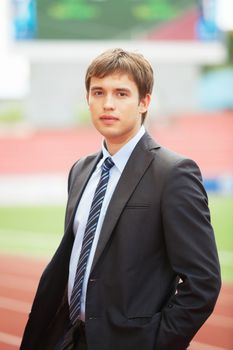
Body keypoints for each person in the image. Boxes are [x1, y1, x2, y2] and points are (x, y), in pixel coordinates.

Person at [20, 48, 221, 350]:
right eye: (98, 92)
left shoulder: (173, 173)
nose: (108, 104)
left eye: (121, 94)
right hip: (70, 338)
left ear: (144, 102)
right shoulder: (81, 170)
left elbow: (203, 282)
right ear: (87, 98)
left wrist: (156, 343)